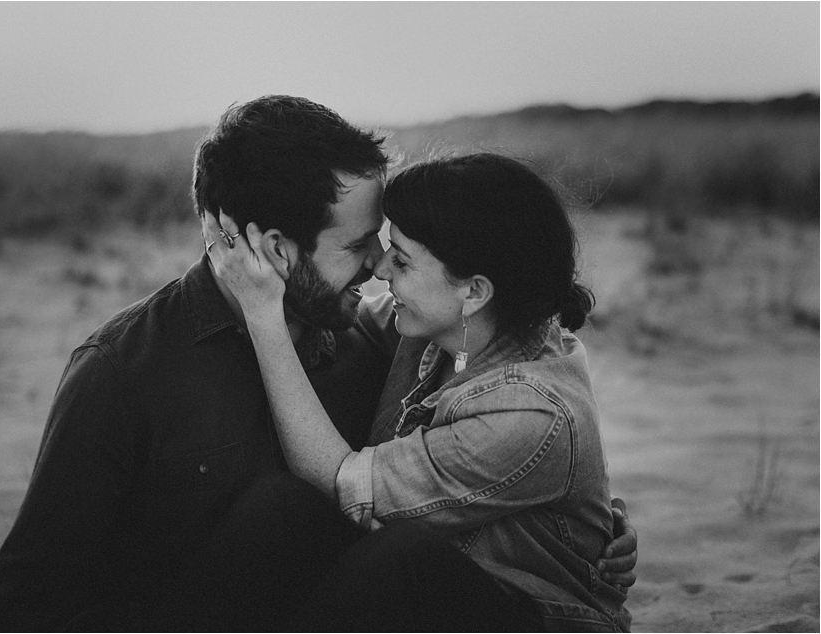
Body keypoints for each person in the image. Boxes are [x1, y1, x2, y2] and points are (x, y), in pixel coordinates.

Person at [0, 96, 635, 632]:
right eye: (362, 247)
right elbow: (22, 606)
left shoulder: (367, 339)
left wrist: (589, 532)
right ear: (279, 251)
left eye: (391, 252)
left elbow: (503, 444)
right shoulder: (125, 370)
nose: (377, 269)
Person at [203, 151, 633, 631]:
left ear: (473, 292)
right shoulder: (446, 327)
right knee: (280, 508)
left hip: (534, 617)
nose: (381, 268)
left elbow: (344, 483)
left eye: (402, 260)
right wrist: (275, 266)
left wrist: (262, 313)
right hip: (437, 596)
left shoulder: (531, 412)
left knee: (401, 557)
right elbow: (345, 320)